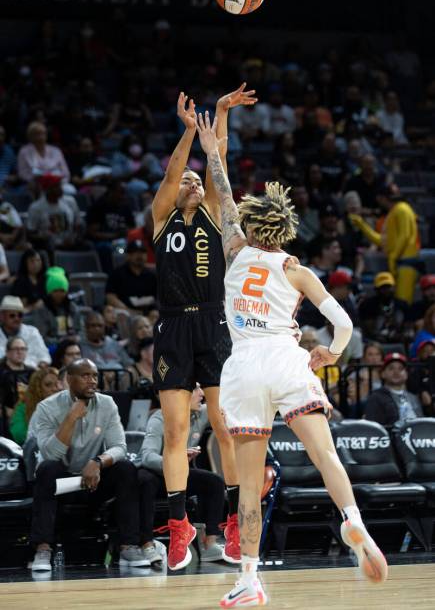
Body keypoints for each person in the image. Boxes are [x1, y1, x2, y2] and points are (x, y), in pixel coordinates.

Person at [195, 111, 387, 607]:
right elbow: (344, 325)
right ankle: (353, 522)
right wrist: (328, 353)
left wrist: (213, 145)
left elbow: (221, 187)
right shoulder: (297, 269)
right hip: (287, 359)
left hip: (242, 368)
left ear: (254, 223)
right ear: (285, 232)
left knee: (250, 482)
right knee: (326, 455)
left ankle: (250, 579)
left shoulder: (234, 248)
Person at [151, 85, 257, 571]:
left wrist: (219, 115)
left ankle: (234, 521)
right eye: (188, 182)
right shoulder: (161, 218)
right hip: (173, 327)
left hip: (214, 324)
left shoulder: (214, 213)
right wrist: (189, 133)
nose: (194, 183)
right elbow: (177, 169)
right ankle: (178, 526)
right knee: (175, 431)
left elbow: (219, 164)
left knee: (222, 427)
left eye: (198, 182)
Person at [29, 358, 147, 571]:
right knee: (46, 469)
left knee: (126, 469)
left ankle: (129, 544)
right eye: (85, 376)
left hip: (94, 479)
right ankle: (43, 548)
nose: (92, 381)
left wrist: (98, 462)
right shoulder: (46, 408)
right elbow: (50, 454)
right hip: (62, 482)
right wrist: (71, 418)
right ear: (69, 380)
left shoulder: (107, 404)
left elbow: (119, 447)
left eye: (94, 376)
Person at [136, 385, 226, 564]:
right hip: (157, 474)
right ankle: (147, 545)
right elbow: (146, 456)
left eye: (202, 389)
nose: (202, 394)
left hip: (180, 474)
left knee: (214, 482)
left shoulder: (200, 412)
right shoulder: (160, 418)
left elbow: (225, 408)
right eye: (196, 390)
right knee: (145, 481)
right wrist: (173, 461)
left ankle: (210, 544)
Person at [349, 183, 419, 304]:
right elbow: (383, 241)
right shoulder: (392, 212)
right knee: (396, 302)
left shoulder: (402, 208)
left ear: (381, 198)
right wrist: (362, 225)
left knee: (403, 302)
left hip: (406, 263)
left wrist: (393, 257)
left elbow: (405, 235)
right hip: (397, 263)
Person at [26, 174, 83, 253]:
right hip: (48, 247)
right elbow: (30, 233)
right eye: (56, 186)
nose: (60, 189)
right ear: (47, 189)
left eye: (60, 185)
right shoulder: (36, 207)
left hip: (70, 244)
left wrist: (74, 238)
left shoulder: (70, 202)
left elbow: (78, 224)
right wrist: (45, 238)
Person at [365, 353, 424, 427]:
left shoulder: (413, 397)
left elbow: (422, 422)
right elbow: (373, 428)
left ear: (406, 374)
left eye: (401, 368)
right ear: (383, 374)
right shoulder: (375, 397)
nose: (396, 372)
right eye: (391, 368)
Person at [9, 366, 61, 445]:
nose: (54, 389)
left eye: (57, 384)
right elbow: (19, 434)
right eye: (48, 385)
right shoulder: (23, 406)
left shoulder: (69, 404)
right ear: (37, 388)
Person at [30, 267, 81, 345]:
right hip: (52, 348)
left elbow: (81, 331)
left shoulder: (73, 308)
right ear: (49, 292)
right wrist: (61, 341)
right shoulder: (42, 310)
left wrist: (77, 338)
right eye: (55, 291)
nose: (59, 294)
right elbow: (41, 337)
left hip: (72, 346)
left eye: (62, 291)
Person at [105, 240, 157, 314]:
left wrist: (154, 310)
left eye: (142, 252)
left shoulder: (152, 275)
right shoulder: (117, 274)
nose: (140, 256)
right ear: (128, 255)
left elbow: (159, 298)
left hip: (149, 314)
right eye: (135, 252)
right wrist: (128, 311)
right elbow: (110, 297)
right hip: (125, 313)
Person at [0, 296, 51, 368]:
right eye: (12, 315)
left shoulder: (32, 332)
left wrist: (40, 368)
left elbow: (45, 357)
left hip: (31, 374)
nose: (16, 318)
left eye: (20, 315)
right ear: (2, 316)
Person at [359, 272, 409, 344]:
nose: (386, 290)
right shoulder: (367, 305)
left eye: (388, 287)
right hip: (375, 340)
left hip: (398, 337)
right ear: (376, 289)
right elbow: (369, 330)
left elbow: (407, 326)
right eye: (382, 287)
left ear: (394, 287)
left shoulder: (402, 305)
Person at [17, 121, 70, 186]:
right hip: (34, 185)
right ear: (30, 136)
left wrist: (58, 182)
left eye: (43, 133)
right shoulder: (24, 152)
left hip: (57, 185)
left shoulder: (56, 151)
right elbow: (22, 173)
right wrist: (38, 181)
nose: (41, 137)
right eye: (37, 134)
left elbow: (65, 173)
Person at [0, 337, 34, 434]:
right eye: (16, 349)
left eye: (23, 349)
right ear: (7, 352)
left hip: (28, 415)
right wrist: (6, 411)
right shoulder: (1, 373)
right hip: (5, 418)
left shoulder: (33, 373)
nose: (20, 352)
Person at [10, 249, 47, 313]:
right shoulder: (21, 281)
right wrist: (34, 306)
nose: (36, 264)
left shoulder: (45, 279)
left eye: (38, 260)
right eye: (32, 261)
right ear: (25, 263)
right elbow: (21, 308)